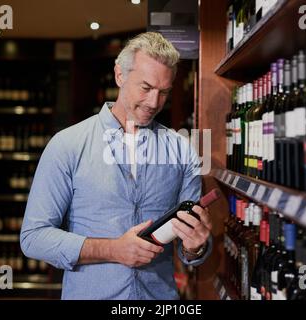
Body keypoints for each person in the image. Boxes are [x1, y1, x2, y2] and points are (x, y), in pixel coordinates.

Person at [20, 32, 213, 300]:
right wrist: (113, 249)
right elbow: (33, 238)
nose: (154, 103)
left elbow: (188, 250)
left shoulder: (182, 150)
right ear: (120, 75)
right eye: (145, 88)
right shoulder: (67, 144)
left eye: (164, 92)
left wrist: (195, 246)